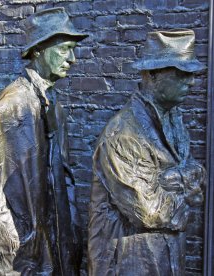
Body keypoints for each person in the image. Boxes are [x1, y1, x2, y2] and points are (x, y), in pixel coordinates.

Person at [0, 8, 87, 275]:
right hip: (14, 253)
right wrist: (12, 242)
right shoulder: (9, 108)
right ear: (39, 50)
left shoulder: (52, 106)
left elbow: (61, 177)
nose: (73, 59)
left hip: (46, 243)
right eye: (65, 49)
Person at [88, 29, 205, 276]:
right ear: (152, 74)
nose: (192, 82)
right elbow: (149, 211)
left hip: (165, 259)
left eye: (192, 74)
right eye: (182, 74)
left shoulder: (174, 120)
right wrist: (184, 181)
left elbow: (198, 181)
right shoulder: (123, 133)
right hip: (129, 263)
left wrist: (169, 182)